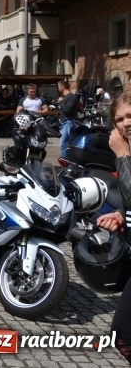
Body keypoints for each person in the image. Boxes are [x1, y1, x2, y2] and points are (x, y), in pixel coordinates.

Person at [93, 93, 131, 363]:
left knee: (123, 334)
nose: (126, 123)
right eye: (119, 118)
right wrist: (121, 214)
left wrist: (122, 155)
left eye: (130, 115)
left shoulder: (125, 153)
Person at [57, 80, 78, 160]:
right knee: (66, 143)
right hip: (64, 122)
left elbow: (67, 109)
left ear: (62, 87)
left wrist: (61, 102)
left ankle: (65, 162)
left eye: (59, 86)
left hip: (69, 122)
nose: (58, 89)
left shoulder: (71, 97)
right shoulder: (65, 97)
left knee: (63, 143)